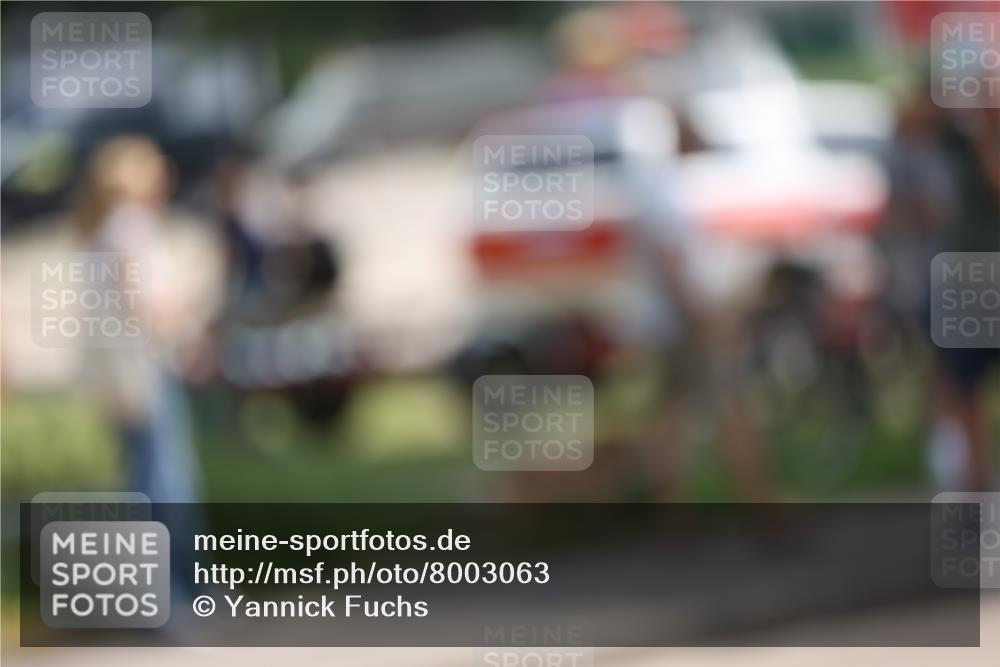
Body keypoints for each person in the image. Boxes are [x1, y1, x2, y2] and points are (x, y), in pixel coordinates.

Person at [74, 135, 202, 504]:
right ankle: (179, 563)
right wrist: (187, 314)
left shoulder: (100, 228)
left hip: (121, 376)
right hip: (145, 371)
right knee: (166, 481)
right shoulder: (129, 225)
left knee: (140, 473)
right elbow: (145, 304)